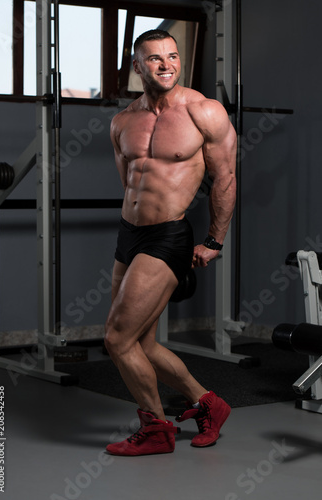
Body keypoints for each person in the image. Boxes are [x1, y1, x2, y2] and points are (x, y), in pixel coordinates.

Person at [104, 29, 237, 456]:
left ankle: (157, 429)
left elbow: (226, 179)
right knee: (140, 342)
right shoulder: (123, 120)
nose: (166, 65)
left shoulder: (204, 112)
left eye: (173, 56)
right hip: (130, 233)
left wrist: (214, 240)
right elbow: (129, 181)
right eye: (155, 58)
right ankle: (208, 404)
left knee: (116, 339)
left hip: (168, 236)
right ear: (137, 66)